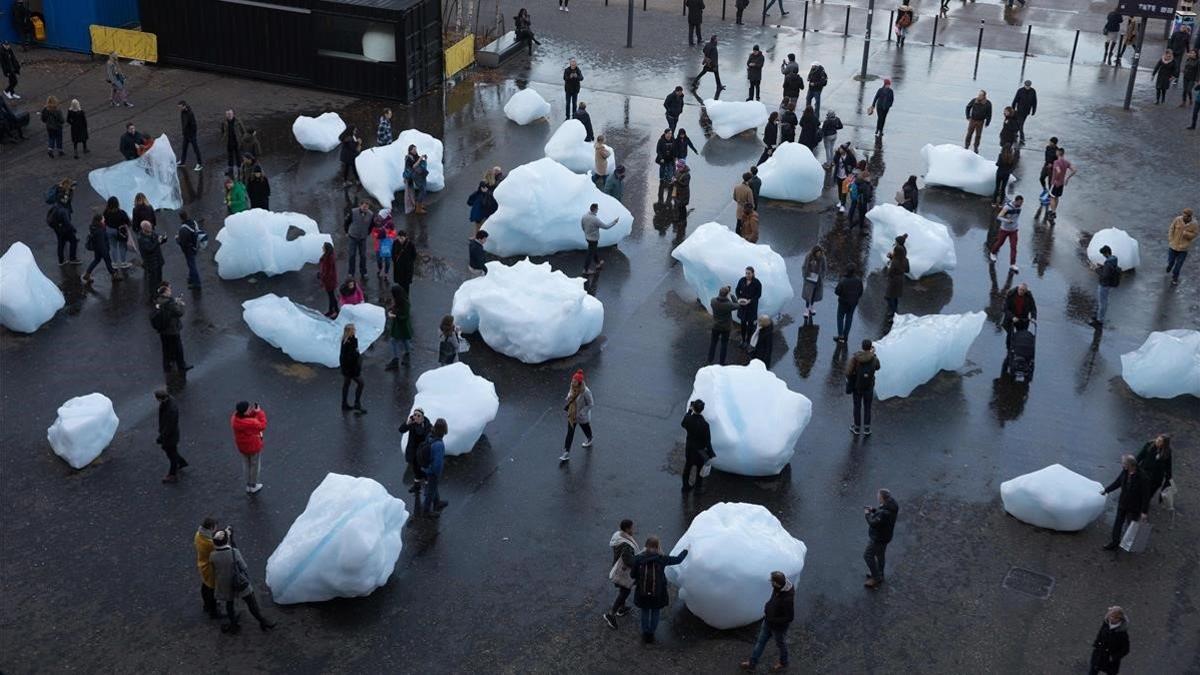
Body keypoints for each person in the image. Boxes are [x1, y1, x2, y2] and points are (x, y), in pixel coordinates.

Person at [209, 528, 275, 633]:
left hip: (224, 583)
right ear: (226, 540)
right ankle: (263, 621)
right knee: (251, 602)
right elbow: (243, 567)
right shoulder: (234, 552)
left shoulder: (212, 555)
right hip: (239, 581)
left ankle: (233, 624)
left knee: (229, 604)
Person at [631, 537, 688, 643]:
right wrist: (686, 550)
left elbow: (632, 575)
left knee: (645, 611)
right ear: (657, 546)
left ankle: (645, 632)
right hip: (658, 592)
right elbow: (678, 560)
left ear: (646, 546)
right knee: (655, 611)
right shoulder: (661, 558)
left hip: (642, 592)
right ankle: (651, 633)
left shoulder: (638, 558)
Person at [740, 571, 795, 671]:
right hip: (768, 622)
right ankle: (752, 664)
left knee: (780, 644)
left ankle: (784, 662)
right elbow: (773, 599)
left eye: (772, 582)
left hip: (778, 628)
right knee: (760, 642)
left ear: (777, 584)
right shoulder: (778, 588)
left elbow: (789, 617)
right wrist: (768, 606)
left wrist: (774, 620)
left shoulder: (787, 599)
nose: (771, 583)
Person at [1100, 454, 1152, 550]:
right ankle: (1115, 542)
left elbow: (1146, 496)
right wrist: (1106, 490)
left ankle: (1130, 543)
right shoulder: (1125, 472)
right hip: (1123, 503)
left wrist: (1144, 511)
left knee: (1131, 525)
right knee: (1118, 524)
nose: (1122, 465)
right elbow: (1118, 482)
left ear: (1130, 465)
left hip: (1134, 506)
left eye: (1123, 463)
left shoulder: (1143, 477)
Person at [602, 519, 641, 629]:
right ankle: (611, 614)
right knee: (625, 590)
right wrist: (638, 561)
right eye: (632, 527)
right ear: (628, 529)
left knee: (623, 588)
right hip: (624, 571)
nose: (633, 529)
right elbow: (628, 561)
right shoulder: (626, 544)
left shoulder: (618, 536)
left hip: (618, 568)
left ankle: (622, 608)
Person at [863, 488, 899, 588]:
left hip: (878, 538)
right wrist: (874, 510)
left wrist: (867, 514)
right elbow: (882, 512)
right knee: (880, 555)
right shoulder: (892, 505)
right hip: (886, 536)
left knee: (867, 556)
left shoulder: (883, 513)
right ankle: (880, 574)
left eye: (879, 496)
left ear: (883, 498)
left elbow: (873, 523)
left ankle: (876, 578)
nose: (877, 498)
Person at [152, 283, 189, 372]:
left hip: (163, 329)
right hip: (172, 329)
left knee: (166, 348)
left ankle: (167, 365)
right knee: (178, 348)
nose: (170, 291)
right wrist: (180, 304)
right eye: (169, 290)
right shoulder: (170, 303)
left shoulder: (158, 301)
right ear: (165, 292)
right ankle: (181, 365)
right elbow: (179, 312)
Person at [231, 401, 266, 494]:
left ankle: (248, 485)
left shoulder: (235, 418)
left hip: (242, 446)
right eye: (248, 409)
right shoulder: (250, 423)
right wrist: (259, 412)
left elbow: (248, 417)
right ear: (245, 412)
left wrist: (254, 412)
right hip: (253, 446)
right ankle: (253, 485)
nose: (250, 409)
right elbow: (262, 425)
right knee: (254, 465)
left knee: (246, 464)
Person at [846, 339, 880, 434]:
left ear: (862, 347)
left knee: (857, 407)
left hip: (857, 387)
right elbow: (878, 367)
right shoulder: (874, 358)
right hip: (869, 386)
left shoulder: (856, 358)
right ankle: (867, 428)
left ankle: (856, 428)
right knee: (867, 407)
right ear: (870, 347)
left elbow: (848, 372)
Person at [398, 408, 432, 502]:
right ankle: (417, 485)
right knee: (415, 469)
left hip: (422, 452)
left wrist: (418, 425)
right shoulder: (412, 424)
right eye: (414, 415)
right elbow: (401, 430)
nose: (416, 417)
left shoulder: (427, 425)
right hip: (413, 451)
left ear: (422, 416)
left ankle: (427, 483)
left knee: (422, 469)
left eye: (418, 415)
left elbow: (423, 433)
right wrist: (407, 423)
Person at [680, 399, 715, 491]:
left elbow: (683, 424)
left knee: (687, 467)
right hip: (700, 451)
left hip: (689, 448)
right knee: (699, 470)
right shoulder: (705, 425)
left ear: (693, 407)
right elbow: (708, 441)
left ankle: (685, 486)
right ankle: (697, 489)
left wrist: (689, 411)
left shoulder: (688, 419)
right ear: (702, 410)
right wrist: (711, 453)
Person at [560, 369, 594, 462]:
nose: (572, 382)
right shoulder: (572, 386)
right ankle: (566, 452)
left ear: (579, 382)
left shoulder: (585, 391)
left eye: (574, 381)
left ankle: (589, 438)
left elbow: (591, 404)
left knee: (585, 428)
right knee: (570, 433)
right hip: (572, 414)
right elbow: (570, 393)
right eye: (572, 380)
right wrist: (568, 397)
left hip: (581, 416)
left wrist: (582, 412)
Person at [155, 389, 187, 483]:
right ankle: (181, 462)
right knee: (172, 451)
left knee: (171, 454)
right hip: (171, 435)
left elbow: (169, 427)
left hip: (170, 437)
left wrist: (161, 437)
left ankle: (172, 475)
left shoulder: (170, 410)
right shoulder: (169, 403)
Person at [194, 518, 222, 620]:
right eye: (215, 527)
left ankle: (206, 606)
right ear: (211, 527)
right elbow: (219, 548)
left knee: (205, 586)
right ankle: (213, 611)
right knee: (211, 589)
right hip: (209, 568)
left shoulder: (198, 535)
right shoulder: (209, 543)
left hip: (202, 564)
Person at [1088, 606, 1130, 675]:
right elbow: (1100, 634)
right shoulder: (1106, 624)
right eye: (1111, 616)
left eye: (1115, 617)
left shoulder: (1122, 633)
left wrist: (1114, 657)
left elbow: (1126, 649)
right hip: (1099, 656)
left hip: (1111, 661)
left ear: (1120, 619)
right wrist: (1096, 645)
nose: (1112, 619)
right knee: (1092, 672)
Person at [420, 418, 449, 516]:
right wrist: (437, 473)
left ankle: (437, 503)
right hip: (432, 471)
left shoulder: (430, 436)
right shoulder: (439, 445)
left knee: (433, 487)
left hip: (426, 466)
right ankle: (426, 511)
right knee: (430, 491)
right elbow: (437, 463)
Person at [990, 195, 1024, 272]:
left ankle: (1012, 264)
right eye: (1020, 202)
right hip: (1004, 229)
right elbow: (999, 217)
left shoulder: (1019, 208)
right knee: (999, 243)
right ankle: (992, 252)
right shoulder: (1007, 208)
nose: (1021, 204)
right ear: (1016, 201)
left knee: (1013, 247)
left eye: (1022, 203)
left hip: (1014, 230)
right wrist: (1007, 221)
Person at [581, 203, 618, 272]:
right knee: (590, 254)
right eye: (597, 209)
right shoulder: (595, 219)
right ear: (595, 210)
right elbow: (606, 227)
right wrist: (614, 222)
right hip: (594, 239)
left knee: (593, 250)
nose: (598, 210)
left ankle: (598, 263)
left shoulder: (584, 216)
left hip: (587, 237)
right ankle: (585, 269)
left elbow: (582, 226)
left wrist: (586, 233)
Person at [338, 324, 367, 415]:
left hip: (346, 368)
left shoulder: (345, 341)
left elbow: (343, 356)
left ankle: (344, 403)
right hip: (351, 369)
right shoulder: (351, 341)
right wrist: (357, 355)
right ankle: (357, 403)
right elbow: (351, 356)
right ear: (350, 331)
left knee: (346, 384)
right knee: (361, 383)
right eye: (353, 329)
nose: (355, 330)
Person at [1135, 434, 1173, 503]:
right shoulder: (1149, 444)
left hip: (1157, 476)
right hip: (1145, 471)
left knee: (1149, 492)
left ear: (1164, 444)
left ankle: (1144, 503)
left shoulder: (1167, 452)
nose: (1157, 441)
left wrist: (1169, 478)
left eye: (1160, 441)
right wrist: (1133, 465)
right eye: (1157, 439)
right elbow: (1140, 456)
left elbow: (1168, 465)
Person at [82, 213, 117, 284]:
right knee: (108, 261)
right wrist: (106, 251)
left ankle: (87, 274)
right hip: (103, 249)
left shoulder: (94, 227)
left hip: (96, 248)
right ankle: (113, 275)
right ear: (99, 220)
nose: (104, 219)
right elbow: (102, 243)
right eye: (103, 218)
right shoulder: (100, 230)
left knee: (96, 260)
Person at [1091, 244, 1120, 327]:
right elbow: (1109, 270)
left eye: (1103, 254)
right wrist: (1103, 267)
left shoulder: (1108, 263)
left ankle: (1099, 321)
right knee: (1104, 301)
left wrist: (1096, 269)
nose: (1103, 255)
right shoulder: (1114, 259)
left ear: (1106, 253)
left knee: (1102, 302)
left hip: (1104, 284)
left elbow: (1104, 275)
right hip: (1109, 284)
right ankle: (1099, 317)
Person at [1001, 282, 1037, 348]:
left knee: (1021, 336)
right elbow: (1005, 309)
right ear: (1018, 288)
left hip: (1022, 319)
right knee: (1010, 334)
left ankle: (1018, 349)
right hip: (1011, 319)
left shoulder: (1029, 297)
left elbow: (1033, 308)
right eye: (1020, 289)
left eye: (1023, 290)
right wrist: (1012, 317)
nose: (1021, 291)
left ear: (1026, 291)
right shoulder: (1011, 294)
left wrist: (1033, 317)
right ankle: (1009, 348)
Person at [386, 284, 413, 370]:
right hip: (403, 327)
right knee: (405, 340)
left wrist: (393, 315)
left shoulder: (404, 303)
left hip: (401, 327)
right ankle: (407, 353)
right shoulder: (402, 301)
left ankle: (396, 360)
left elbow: (404, 316)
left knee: (394, 341)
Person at [707, 286, 736, 364]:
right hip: (725, 328)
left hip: (715, 326)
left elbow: (716, 299)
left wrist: (725, 293)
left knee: (713, 343)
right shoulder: (728, 305)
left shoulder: (713, 301)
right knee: (724, 345)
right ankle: (722, 362)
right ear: (727, 295)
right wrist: (732, 295)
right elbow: (737, 305)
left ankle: (710, 359)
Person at [1166, 208, 1197, 284]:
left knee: (1179, 265)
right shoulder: (1177, 219)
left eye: (1185, 216)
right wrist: (1170, 239)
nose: (1183, 217)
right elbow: (1171, 229)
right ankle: (1169, 266)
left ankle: (1175, 278)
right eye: (1183, 215)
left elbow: (1195, 234)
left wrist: (1187, 234)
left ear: (1189, 217)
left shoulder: (1194, 224)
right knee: (1171, 261)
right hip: (1173, 246)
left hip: (1183, 249)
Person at [833, 264, 863, 344]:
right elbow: (860, 292)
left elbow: (837, 291)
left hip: (843, 303)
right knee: (849, 319)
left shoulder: (843, 280)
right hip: (853, 303)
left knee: (840, 318)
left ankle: (840, 336)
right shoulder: (859, 280)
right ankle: (846, 336)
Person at [137, 222, 167, 300]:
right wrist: (158, 242)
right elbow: (149, 249)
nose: (151, 229)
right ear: (144, 229)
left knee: (159, 278)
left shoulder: (152, 233)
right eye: (149, 228)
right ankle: (153, 296)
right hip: (151, 262)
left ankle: (159, 293)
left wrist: (163, 239)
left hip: (158, 260)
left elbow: (157, 241)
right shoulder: (142, 239)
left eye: (150, 227)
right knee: (153, 280)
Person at [46, 195, 78, 266]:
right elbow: (67, 223)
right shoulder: (64, 211)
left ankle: (61, 261)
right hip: (65, 230)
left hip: (57, 229)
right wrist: (73, 229)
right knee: (74, 241)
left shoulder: (55, 207)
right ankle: (72, 259)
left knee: (61, 243)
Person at [1046, 147, 1076, 223]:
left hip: (1055, 183)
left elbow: (1058, 171)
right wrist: (1067, 178)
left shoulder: (1056, 162)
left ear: (1058, 153)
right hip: (1061, 183)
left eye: (1056, 152)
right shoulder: (1066, 162)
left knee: (1052, 197)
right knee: (1057, 197)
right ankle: (1053, 211)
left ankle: (1053, 212)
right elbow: (1074, 170)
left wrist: (1056, 179)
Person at [735, 267, 762, 348]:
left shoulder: (757, 283)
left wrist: (750, 300)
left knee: (750, 324)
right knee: (742, 323)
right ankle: (743, 340)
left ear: (753, 273)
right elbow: (737, 290)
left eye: (749, 273)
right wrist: (739, 298)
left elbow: (758, 295)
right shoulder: (742, 280)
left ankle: (748, 340)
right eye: (746, 273)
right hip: (742, 305)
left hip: (752, 306)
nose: (747, 275)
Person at [103, 196, 132, 268]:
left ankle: (114, 263)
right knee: (122, 246)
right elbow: (128, 222)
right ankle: (123, 262)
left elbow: (105, 220)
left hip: (109, 230)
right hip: (120, 231)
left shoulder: (106, 212)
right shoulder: (121, 213)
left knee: (113, 246)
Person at [176, 211, 203, 289]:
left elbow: (182, 242)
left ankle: (197, 283)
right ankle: (191, 278)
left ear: (180, 218)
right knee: (191, 264)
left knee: (192, 265)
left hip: (188, 250)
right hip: (194, 247)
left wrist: (177, 239)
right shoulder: (193, 223)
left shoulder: (183, 229)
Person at [346, 200, 373, 279]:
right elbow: (347, 222)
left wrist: (367, 233)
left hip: (362, 238)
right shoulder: (353, 212)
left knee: (363, 256)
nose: (365, 208)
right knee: (352, 255)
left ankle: (364, 272)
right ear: (360, 205)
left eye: (367, 207)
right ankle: (351, 273)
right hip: (353, 237)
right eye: (364, 206)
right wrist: (346, 231)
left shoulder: (371, 214)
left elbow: (371, 226)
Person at [800, 245, 827, 319]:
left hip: (818, 279)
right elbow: (804, 266)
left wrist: (821, 276)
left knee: (814, 295)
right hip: (809, 279)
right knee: (808, 295)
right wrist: (805, 275)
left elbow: (824, 269)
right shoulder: (809, 257)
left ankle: (811, 307)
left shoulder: (823, 258)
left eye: (820, 253)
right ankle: (806, 309)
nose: (819, 254)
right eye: (817, 253)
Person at [884, 236, 908, 317]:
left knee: (889, 297)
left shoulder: (894, 262)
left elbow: (889, 272)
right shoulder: (905, 259)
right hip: (901, 279)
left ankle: (893, 312)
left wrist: (891, 260)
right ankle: (894, 309)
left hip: (893, 281)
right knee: (895, 296)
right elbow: (907, 270)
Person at [1010, 80, 1037, 145]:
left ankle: (1015, 133)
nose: (1027, 87)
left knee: (1020, 123)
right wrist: (1013, 109)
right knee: (1021, 124)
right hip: (1019, 110)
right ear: (1024, 85)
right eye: (1026, 86)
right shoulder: (1020, 91)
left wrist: (1033, 110)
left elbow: (1034, 102)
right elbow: (1015, 100)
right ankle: (1022, 137)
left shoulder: (1033, 91)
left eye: (1029, 86)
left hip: (1026, 111)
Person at [316, 242, 338, 317]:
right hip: (330, 280)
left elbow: (327, 271)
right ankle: (334, 310)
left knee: (331, 296)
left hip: (329, 280)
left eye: (323, 247)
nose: (322, 248)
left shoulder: (328, 258)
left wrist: (322, 276)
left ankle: (333, 310)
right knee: (331, 295)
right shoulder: (328, 257)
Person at [177, 100, 201, 170]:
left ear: (184, 106)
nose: (180, 108)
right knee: (184, 149)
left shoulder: (190, 114)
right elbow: (183, 123)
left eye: (180, 107)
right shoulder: (182, 112)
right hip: (186, 135)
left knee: (196, 150)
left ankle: (199, 164)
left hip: (191, 135)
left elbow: (194, 125)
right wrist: (184, 132)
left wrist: (193, 134)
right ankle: (182, 162)